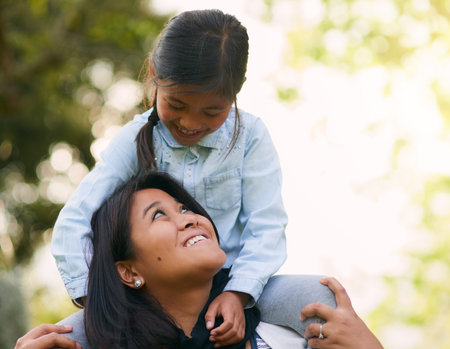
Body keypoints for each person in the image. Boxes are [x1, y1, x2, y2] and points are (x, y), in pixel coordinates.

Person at [51, 8, 336, 346]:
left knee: (318, 299)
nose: (190, 123)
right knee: (64, 338)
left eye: (212, 111)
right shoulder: (134, 139)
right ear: (156, 74)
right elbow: (73, 223)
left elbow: (267, 226)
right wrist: (98, 302)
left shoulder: (251, 138)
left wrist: (238, 294)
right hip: (154, 292)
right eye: (177, 104)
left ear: (236, 91)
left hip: (232, 278)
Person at [17, 173, 383, 349]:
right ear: (129, 271)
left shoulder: (286, 336)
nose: (190, 217)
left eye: (185, 207)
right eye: (158, 215)